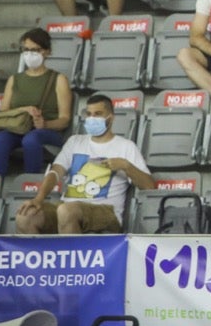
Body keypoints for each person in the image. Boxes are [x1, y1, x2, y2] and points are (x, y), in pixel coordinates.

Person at [14, 94, 151, 235]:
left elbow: (149, 186)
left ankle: (70, 257)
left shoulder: (126, 146)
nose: (92, 118)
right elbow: (55, 172)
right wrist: (39, 199)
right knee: (26, 216)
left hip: (105, 211)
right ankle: (42, 257)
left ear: (111, 117)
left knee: (66, 211)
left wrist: (126, 166)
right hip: (67, 209)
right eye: (89, 114)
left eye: (98, 114)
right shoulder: (74, 141)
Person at [0, 28, 74, 178]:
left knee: (31, 139)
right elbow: (3, 113)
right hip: (18, 128)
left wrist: (45, 124)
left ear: (47, 52)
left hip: (48, 132)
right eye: (26, 50)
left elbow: (64, 119)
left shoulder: (58, 79)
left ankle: (31, 182)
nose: (30, 54)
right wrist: (24, 109)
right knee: (1, 138)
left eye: (36, 50)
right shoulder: (14, 79)